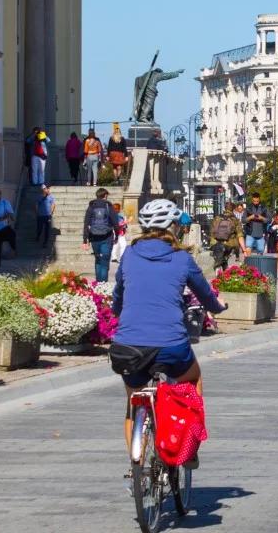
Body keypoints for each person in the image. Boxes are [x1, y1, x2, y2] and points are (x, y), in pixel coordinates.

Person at [109, 198, 226, 465]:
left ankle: (136, 466)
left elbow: (119, 296)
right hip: (171, 346)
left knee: (133, 401)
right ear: (173, 227)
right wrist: (216, 307)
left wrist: (118, 312)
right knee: (193, 377)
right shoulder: (181, 258)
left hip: (128, 347)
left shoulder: (129, 255)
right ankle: (189, 445)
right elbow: (205, 294)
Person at [81, 188, 122, 282]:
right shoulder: (108, 206)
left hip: (94, 237)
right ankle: (103, 285)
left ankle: (98, 284)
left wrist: (85, 240)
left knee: (98, 260)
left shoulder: (91, 206)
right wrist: (117, 235)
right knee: (105, 261)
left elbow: (86, 223)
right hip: (107, 237)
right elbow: (115, 223)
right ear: (105, 195)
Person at [209, 202, 247, 271]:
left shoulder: (217, 218)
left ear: (225, 208)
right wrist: (244, 250)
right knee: (225, 258)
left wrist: (212, 242)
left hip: (215, 243)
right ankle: (224, 272)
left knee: (219, 259)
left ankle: (219, 269)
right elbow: (240, 235)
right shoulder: (235, 220)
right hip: (228, 244)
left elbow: (212, 231)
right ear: (233, 209)